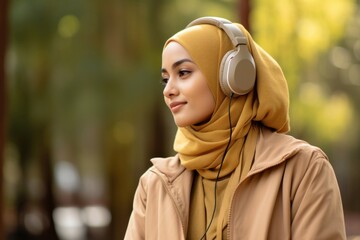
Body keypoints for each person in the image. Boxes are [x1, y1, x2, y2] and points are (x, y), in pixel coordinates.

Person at [124, 16, 346, 240]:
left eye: (183, 73)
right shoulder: (154, 185)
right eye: (165, 79)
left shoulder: (303, 170)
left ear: (233, 78)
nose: (168, 90)